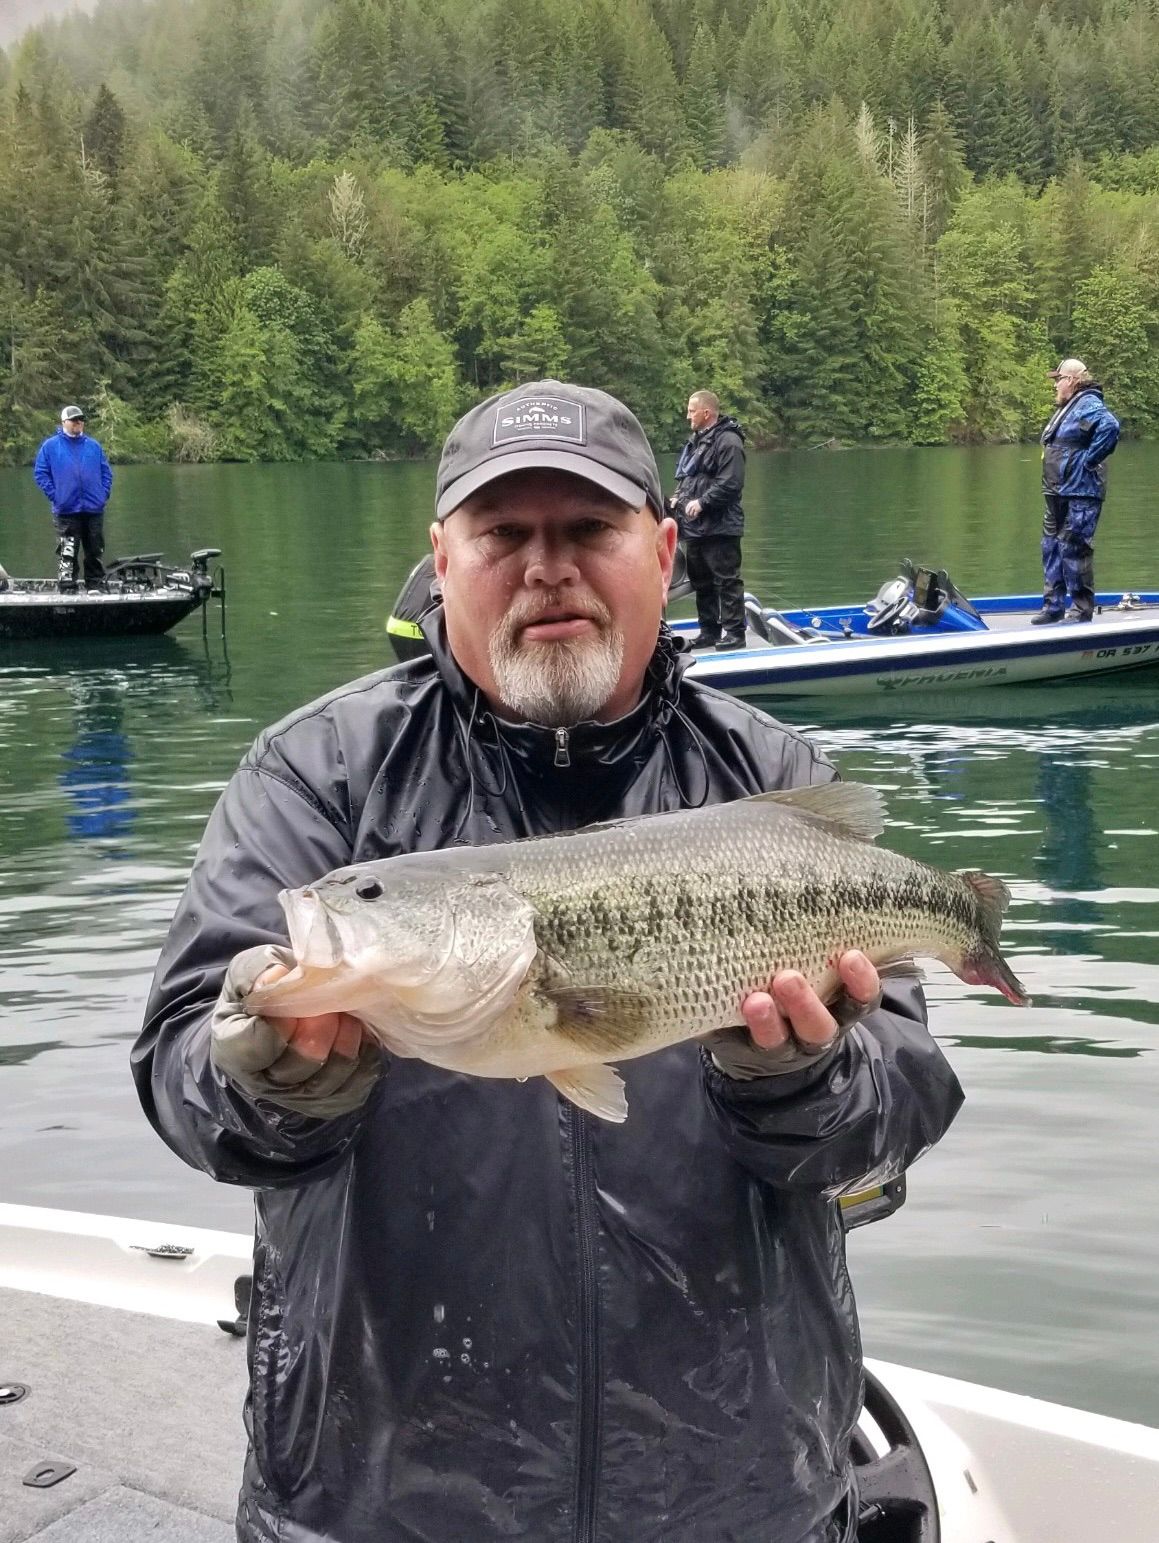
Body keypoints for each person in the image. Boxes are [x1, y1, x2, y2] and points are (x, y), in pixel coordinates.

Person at [132, 379, 963, 1543]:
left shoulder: (769, 784)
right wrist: (269, 1081)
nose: (546, 567)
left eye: (587, 530)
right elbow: (185, 1077)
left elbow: (902, 1106)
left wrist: (799, 1083)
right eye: (502, 534)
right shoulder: (314, 778)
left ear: (663, 550)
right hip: (376, 1502)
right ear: (439, 557)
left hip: (738, 1499)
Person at [1034, 358, 1120, 625]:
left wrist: (1089, 461)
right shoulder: (1069, 406)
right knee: (1051, 546)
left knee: (1074, 546)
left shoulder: (1088, 404)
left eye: (1057, 380)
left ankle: (1081, 610)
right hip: (1058, 490)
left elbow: (1110, 427)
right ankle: (1053, 606)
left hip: (1080, 491)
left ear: (1071, 380)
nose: (1055, 386)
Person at [669, 388, 747, 650]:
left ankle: (736, 634)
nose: (688, 416)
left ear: (706, 412)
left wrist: (703, 503)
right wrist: (677, 498)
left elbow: (732, 482)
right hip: (695, 527)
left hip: (721, 526)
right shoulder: (697, 440)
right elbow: (688, 478)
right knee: (701, 582)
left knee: (727, 580)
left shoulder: (729, 441)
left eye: (691, 411)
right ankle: (709, 631)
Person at [33, 405, 114, 591]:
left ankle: (96, 584)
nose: (79, 423)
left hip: (93, 509)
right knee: (67, 552)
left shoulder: (94, 446)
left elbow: (106, 473)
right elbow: (41, 474)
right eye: (74, 419)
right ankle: (67, 586)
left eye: (81, 419)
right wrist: (56, 496)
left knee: (94, 550)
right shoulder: (50, 446)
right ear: (64, 423)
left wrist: (103, 494)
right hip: (66, 510)